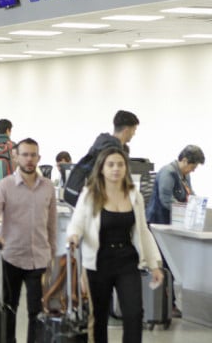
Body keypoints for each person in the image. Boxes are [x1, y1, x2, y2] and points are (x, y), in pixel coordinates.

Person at [66, 147, 163, 343]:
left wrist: (154, 264)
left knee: (134, 312)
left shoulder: (134, 195)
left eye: (120, 164)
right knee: (99, 315)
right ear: (101, 168)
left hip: (127, 260)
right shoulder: (90, 194)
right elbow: (77, 222)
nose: (116, 169)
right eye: (110, 165)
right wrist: (74, 236)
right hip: (99, 261)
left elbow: (143, 231)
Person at [0, 138, 56, 343]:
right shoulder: (4, 186)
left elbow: (52, 225)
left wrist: (52, 255)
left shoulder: (48, 187)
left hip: (39, 259)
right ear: (16, 157)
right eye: (25, 155)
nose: (29, 159)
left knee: (37, 312)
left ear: (39, 158)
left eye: (33, 155)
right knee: (9, 308)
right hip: (11, 256)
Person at [146, 144, 204, 318]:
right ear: (184, 160)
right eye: (192, 166)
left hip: (171, 226)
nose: (192, 171)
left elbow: (190, 195)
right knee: (164, 265)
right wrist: (184, 209)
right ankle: (164, 305)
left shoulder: (183, 175)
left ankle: (170, 304)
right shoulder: (168, 173)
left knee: (171, 265)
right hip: (158, 225)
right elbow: (166, 200)